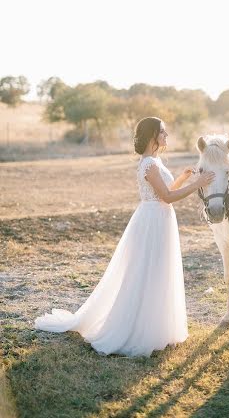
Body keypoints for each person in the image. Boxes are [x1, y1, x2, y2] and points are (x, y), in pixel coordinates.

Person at [34, 117, 214, 357]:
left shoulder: (155, 162)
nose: (166, 136)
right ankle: (137, 329)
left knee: (159, 271)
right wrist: (198, 184)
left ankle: (159, 326)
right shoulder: (149, 164)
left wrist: (183, 178)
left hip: (160, 219)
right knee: (146, 272)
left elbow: (167, 191)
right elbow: (167, 197)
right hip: (152, 221)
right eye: (163, 132)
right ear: (152, 135)